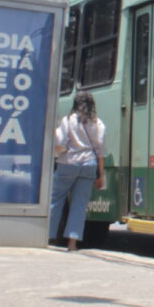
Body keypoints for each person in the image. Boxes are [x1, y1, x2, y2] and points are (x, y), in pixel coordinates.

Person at [48, 91, 105, 251]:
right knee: (80, 205)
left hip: (68, 163)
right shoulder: (98, 124)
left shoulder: (68, 120)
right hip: (89, 165)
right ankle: (72, 244)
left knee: (55, 199)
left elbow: (59, 140)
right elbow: (101, 151)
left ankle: (48, 237)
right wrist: (101, 175)